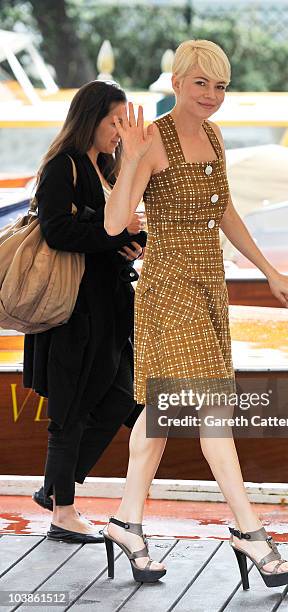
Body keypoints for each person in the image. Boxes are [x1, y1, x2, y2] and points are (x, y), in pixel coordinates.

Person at [102, 39, 288, 589]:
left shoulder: (213, 134)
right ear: (177, 83)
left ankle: (126, 523)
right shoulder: (153, 139)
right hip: (169, 289)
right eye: (201, 84)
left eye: (220, 86)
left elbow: (225, 211)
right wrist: (133, 159)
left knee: (162, 416)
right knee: (213, 411)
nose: (212, 96)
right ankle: (251, 533)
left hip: (208, 283)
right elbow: (116, 224)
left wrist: (269, 271)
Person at [24, 80, 146, 543]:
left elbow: (108, 233)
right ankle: (62, 511)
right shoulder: (64, 167)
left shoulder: (106, 169)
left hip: (108, 307)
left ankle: (57, 489)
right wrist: (116, 234)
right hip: (74, 310)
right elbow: (58, 232)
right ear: (89, 118)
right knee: (71, 408)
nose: (119, 130)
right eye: (113, 120)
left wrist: (134, 242)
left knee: (124, 398)